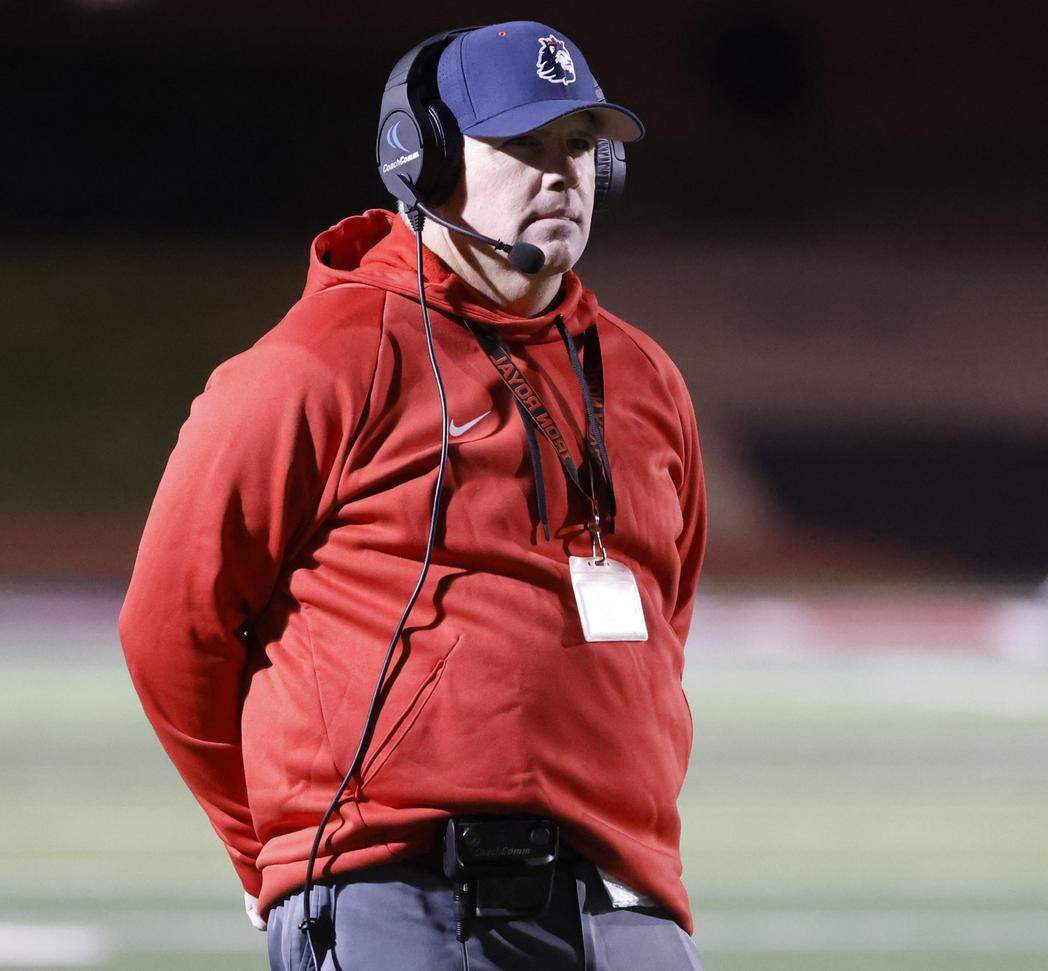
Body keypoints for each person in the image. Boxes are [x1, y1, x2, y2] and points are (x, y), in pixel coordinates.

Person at [118, 20, 707, 970]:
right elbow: (169, 628)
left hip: (622, 900)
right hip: (399, 891)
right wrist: (265, 847)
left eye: (578, 146)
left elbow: (665, 614)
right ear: (420, 159)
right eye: (523, 144)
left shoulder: (645, 379)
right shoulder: (317, 363)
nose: (561, 175)